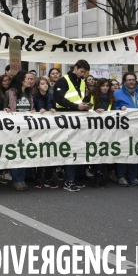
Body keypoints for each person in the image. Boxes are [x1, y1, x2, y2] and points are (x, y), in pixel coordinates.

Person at [54, 60, 91, 192]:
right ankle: (69, 181)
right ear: (75, 68)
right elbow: (58, 99)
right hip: (65, 117)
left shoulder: (81, 81)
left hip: (77, 117)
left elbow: (78, 99)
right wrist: (77, 106)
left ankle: (74, 178)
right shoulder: (63, 80)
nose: (83, 74)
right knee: (70, 150)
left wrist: (85, 105)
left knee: (76, 149)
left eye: (84, 72)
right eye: (81, 71)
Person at [114, 72, 138, 187]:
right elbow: (112, 107)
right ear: (124, 82)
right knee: (123, 152)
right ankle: (121, 176)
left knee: (134, 152)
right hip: (123, 127)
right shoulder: (117, 93)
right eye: (128, 80)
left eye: (133, 79)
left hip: (137, 128)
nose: (131, 81)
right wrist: (119, 108)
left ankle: (133, 177)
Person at [4, 71, 36, 191]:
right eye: (28, 78)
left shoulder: (30, 93)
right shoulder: (10, 93)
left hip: (27, 129)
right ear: (22, 80)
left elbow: (31, 108)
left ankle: (22, 179)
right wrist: (6, 109)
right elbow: (4, 107)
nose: (31, 81)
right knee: (16, 154)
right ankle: (17, 180)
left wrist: (33, 111)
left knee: (24, 154)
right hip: (14, 128)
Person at [84, 78, 115, 188]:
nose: (105, 88)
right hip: (94, 129)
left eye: (107, 86)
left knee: (104, 152)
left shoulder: (111, 98)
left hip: (107, 129)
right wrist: (94, 110)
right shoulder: (91, 96)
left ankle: (101, 176)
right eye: (103, 86)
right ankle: (96, 176)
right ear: (99, 86)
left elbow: (114, 111)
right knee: (96, 152)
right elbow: (85, 108)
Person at [31, 76, 57, 189]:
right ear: (38, 86)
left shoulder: (51, 96)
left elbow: (55, 108)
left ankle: (48, 178)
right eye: (42, 84)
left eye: (46, 83)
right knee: (39, 153)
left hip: (49, 129)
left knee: (49, 153)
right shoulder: (34, 97)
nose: (45, 85)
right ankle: (38, 177)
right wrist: (37, 112)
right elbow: (32, 110)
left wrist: (53, 110)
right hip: (38, 129)